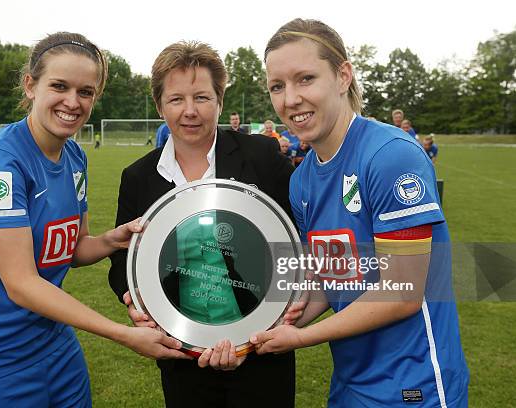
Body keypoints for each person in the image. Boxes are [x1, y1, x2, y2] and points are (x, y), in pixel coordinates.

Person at [0, 32, 188, 408]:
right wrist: (121, 333)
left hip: (52, 345)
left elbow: (73, 248)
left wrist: (113, 239)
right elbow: (21, 284)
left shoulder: (75, 158)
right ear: (31, 85)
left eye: (86, 92)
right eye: (59, 86)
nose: (73, 102)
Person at [250, 19, 469, 408]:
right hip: (351, 386)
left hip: (414, 387)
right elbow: (331, 278)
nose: (290, 99)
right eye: (277, 86)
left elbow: (402, 292)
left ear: (343, 76)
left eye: (305, 79)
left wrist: (299, 338)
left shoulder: (390, 156)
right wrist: (259, 329)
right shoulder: (301, 181)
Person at [108, 41, 296, 408]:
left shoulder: (261, 155)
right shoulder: (138, 177)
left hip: (262, 353)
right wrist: (133, 301)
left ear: (220, 101)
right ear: (160, 105)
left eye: (202, 97)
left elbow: (294, 242)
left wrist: (262, 331)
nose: (190, 111)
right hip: (181, 354)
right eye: (176, 99)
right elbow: (122, 261)